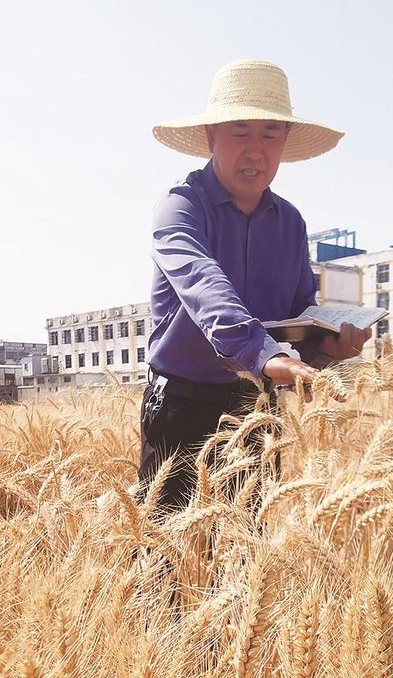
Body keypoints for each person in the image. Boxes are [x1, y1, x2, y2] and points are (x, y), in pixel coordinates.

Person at [138, 59, 367, 512]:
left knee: (245, 552)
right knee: (166, 559)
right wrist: (267, 355)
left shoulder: (290, 223)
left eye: (270, 134)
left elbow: (300, 309)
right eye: (240, 132)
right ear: (211, 137)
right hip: (181, 404)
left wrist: (327, 347)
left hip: (255, 408)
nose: (255, 152)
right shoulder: (180, 209)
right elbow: (204, 283)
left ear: (284, 143)